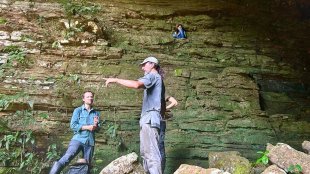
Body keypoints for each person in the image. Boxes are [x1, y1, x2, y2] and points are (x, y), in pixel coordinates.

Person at [103, 56, 165, 174]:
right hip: (152, 119)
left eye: (144, 64)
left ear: (152, 64)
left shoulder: (152, 76)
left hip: (149, 119)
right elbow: (162, 104)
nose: (142, 67)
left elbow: (136, 84)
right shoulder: (159, 80)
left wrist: (116, 80)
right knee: (146, 154)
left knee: (151, 154)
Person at [49, 91, 101, 174]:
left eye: (91, 97)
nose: (90, 98)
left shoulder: (96, 113)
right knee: (67, 157)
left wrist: (96, 125)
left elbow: (98, 129)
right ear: (83, 99)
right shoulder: (78, 110)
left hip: (90, 142)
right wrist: (87, 127)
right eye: (88, 97)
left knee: (86, 165)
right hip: (78, 139)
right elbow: (73, 125)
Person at [159, 95, 178, 173]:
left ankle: (160, 171)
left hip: (159, 123)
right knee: (158, 147)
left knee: (160, 146)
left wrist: (164, 109)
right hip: (154, 123)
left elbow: (175, 102)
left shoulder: (162, 94)